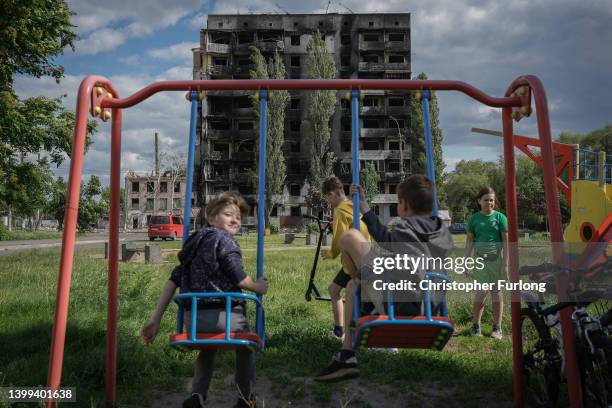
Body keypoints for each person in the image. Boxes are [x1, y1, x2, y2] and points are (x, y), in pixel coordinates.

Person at [314, 175, 453, 382]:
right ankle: (347, 356)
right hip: (430, 306)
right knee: (352, 288)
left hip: (402, 305)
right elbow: (395, 247)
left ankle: (367, 310)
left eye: (398, 202)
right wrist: (366, 210)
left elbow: (404, 262)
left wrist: (366, 273)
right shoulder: (441, 230)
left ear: (404, 205)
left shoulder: (406, 228)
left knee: (349, 238)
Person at [141, 192, 269, 408]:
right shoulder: (225, 240)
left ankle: (197, 395)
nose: (235, 220)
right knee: (247, 346)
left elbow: (171, 284)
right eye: (228, 214)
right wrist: (258, 286)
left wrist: (156, 320)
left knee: (207, 346)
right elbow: (238, 275)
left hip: (193, 323)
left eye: (238, 217)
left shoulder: (191, 247)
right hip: (226, 319)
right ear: (211, 218)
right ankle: (245, 397)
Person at [321, 176, 371, 340]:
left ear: (332, 194)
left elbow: (339, 240)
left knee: (338, 291)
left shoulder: (341, 211)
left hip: (354, 261)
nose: (329, 203)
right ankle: (344, 330)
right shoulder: (353, 205)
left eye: (327, 199)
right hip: (366, 254)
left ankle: (340, 332)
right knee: (338, 290)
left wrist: (331, 253)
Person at [464, 187, 508, 340]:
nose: (489, 202)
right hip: (479, 261)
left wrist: (505, 265)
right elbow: (469, 241)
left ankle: (497, 328)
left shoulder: (500, 218)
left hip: (496, 260)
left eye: (491, 200)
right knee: (481, 294)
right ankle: (476, 326)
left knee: (496, 294)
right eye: (486, 200)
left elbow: (506, 243)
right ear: (479, 201)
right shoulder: (474, 219)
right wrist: (466, 261)